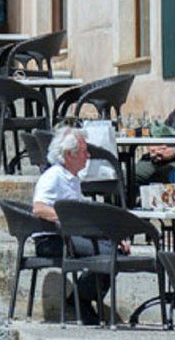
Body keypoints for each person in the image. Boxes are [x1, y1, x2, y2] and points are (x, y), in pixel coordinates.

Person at [32, 125, 115, 324]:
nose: (88, 156)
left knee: (116, 249)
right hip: (52, 239)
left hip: (71, 235)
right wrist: (68, 220)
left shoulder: (73, 178)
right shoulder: (53, 176)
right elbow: (39, 208)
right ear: (70, 154)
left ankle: (81, 298)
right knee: (110, 253)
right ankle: (80, 300)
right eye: (84, 152)